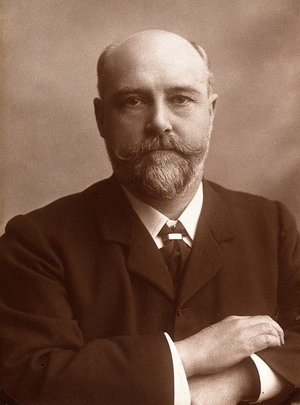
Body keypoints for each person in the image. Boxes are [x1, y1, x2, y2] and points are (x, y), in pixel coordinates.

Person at [0, 29, 299, 405]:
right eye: (134, 101)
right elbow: (34, 376)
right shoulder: (35, 242)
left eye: (180, 99)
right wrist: (192, 354)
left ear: (211, 112)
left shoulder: (272, 226)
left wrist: (230, 385)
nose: (159, 122)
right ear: (100, 118)